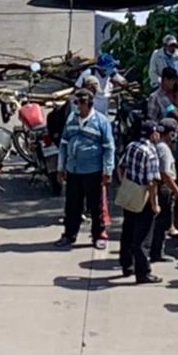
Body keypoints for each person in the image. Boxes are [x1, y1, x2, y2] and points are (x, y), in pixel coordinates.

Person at [56, 89, 116, 250]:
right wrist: (60, 168)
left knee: (95, 206)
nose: (77, 106)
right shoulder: (71, 120)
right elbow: (63, 145)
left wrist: (107, 171)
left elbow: (109, 148)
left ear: (88, 104)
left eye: (80, 103)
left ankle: (99, 235)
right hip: (73, 171)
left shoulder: (101, 122)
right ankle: (69, 235)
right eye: (75, 102)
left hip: (93, 172)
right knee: (72, 206)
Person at [117, 123, 162, 284]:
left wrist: (125, 184)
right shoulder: (151, 152)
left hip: (130, 194)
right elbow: (151, 182)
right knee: (142, 238)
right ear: (152, 134)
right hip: (143, 198)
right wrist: (154, 203)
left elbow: (121, 167)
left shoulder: (131, 146)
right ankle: (143, 272)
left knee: (127, 230)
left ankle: (126, 265)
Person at [150, 119, 178, 263]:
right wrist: (176, 190)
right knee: (161, 223)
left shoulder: (158, 145)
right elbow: (165, 173)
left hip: (160, 187)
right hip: (163, 188)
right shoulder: (163, 148)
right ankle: (157, 252)